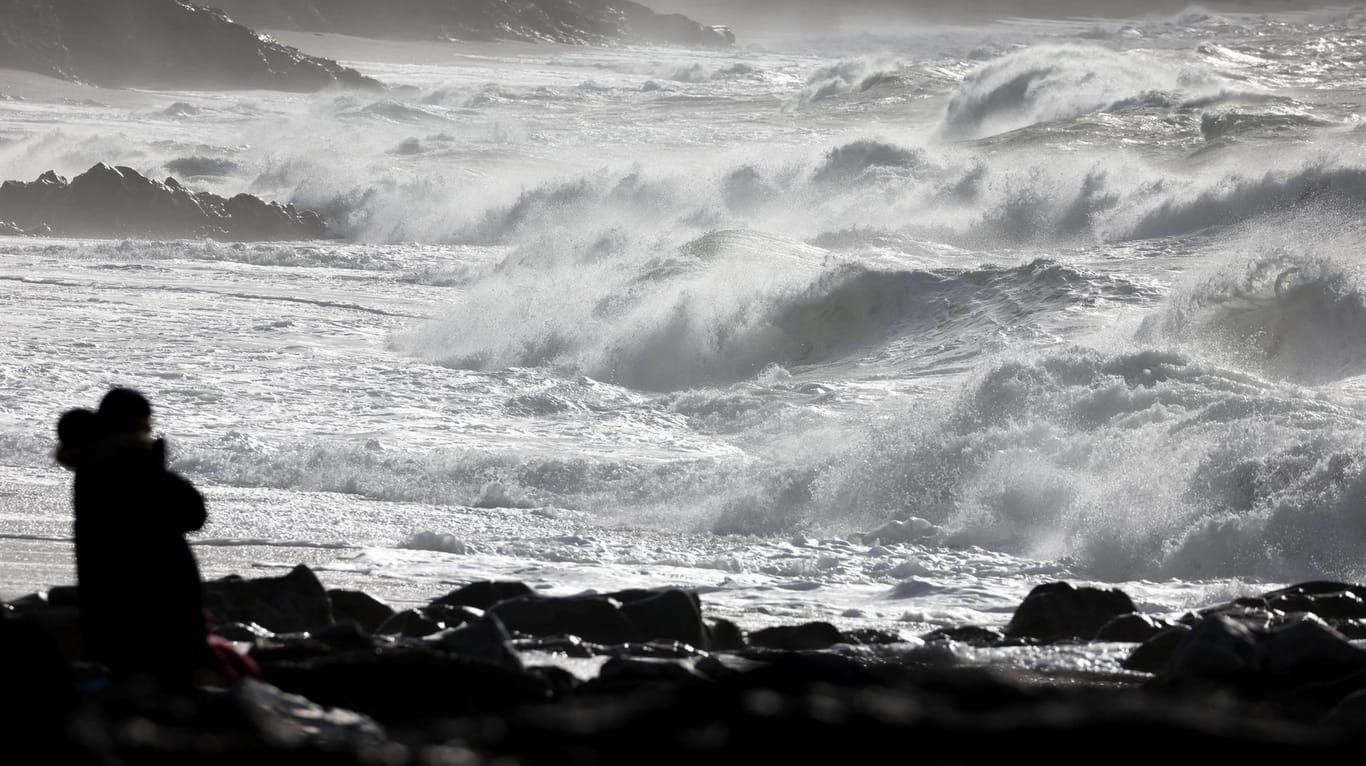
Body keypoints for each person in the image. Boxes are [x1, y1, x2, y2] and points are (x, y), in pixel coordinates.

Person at [59, 388, 211, 686]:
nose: (151, 428)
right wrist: (153, 463)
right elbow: (192, 513)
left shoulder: (90, 467)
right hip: (153, 613)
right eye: (146, 421)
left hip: (107, 610)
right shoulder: (133, 469)